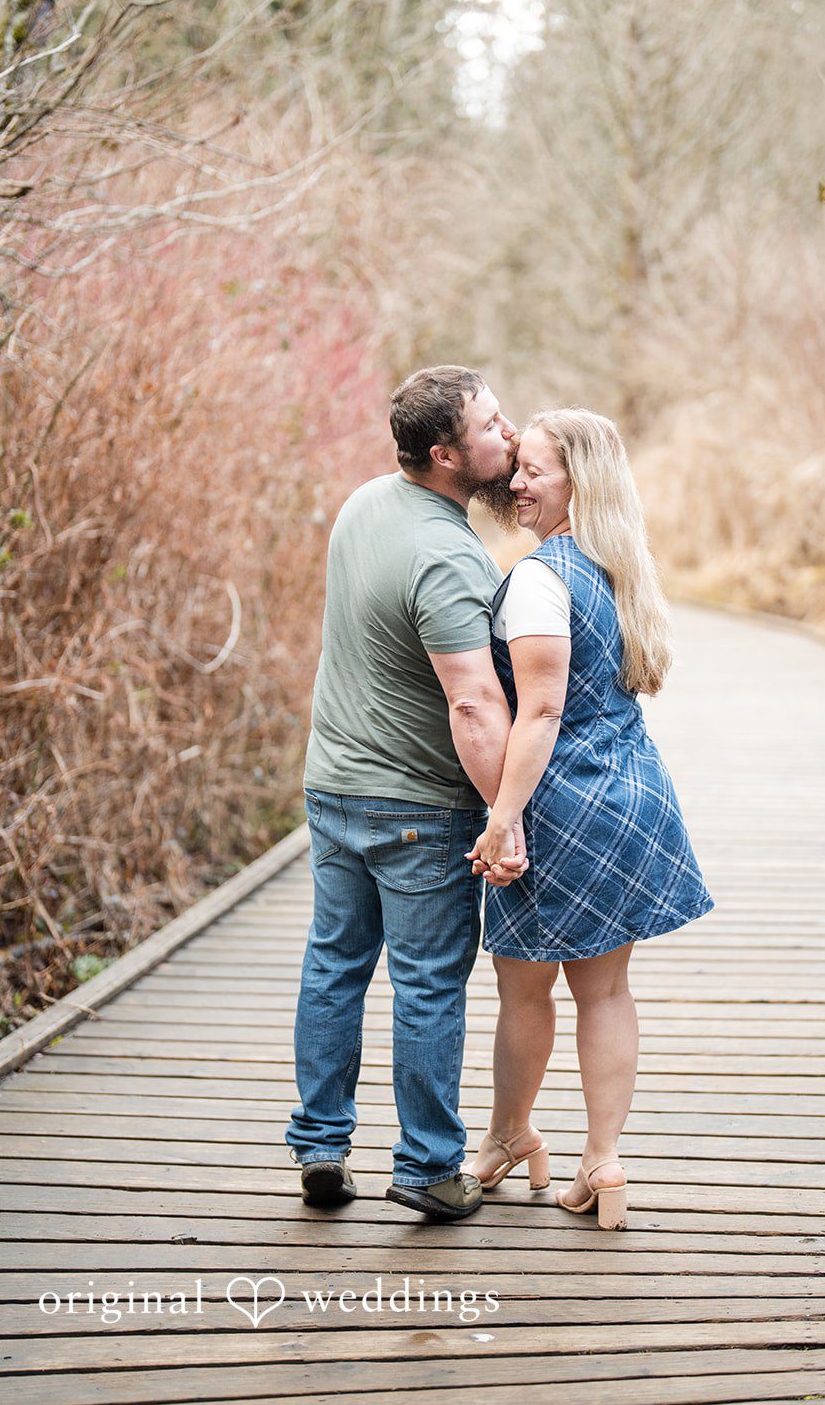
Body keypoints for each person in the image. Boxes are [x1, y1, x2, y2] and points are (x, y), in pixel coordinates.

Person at [463, 407, 716, 1229]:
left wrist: (503, 819)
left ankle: (506, 1135)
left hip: (563, 804)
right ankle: (601, 1160)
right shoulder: (618, 568)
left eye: (533, 469)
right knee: (605, 993)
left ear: (578, 480)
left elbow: (537, 715)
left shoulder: (540, 578)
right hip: (634, 794)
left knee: (524, 987)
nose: (515, 482)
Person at [285, 365, 526, 1223]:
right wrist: (506, 817)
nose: (511, 435)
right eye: (493, 427)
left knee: (335, 962)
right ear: (445, 454)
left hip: (332, 788)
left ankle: (320, 1144)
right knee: (426, 982)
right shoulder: (447, 554)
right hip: (418, 807)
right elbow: (472, 703)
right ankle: (427, 1166)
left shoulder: (362, 504)